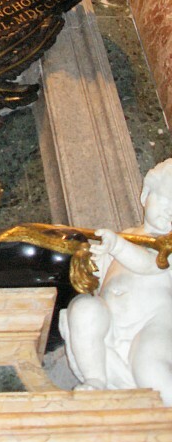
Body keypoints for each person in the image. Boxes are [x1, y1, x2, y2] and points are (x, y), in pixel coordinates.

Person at [60, 158, 172, 405]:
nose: (170, 210)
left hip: (153, 322)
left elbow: (150, 264)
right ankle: (96, 379)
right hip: (112, 319)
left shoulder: (168, 245)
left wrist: (118, 246)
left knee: (150, 367)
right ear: (145, 195)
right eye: (166, 199)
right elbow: (98, 274)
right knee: (84, 308)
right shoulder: (127, 235)